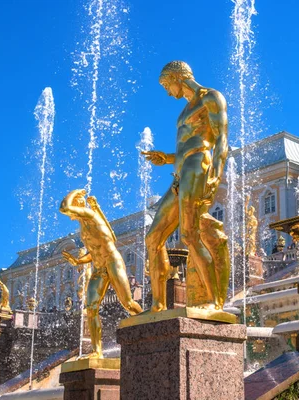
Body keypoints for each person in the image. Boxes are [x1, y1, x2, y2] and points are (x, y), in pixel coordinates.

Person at [142, 61, 229, 312]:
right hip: (179, 173)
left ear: (178, 77)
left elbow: (221, 139)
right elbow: (185, 145)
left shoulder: (211, 97)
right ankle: (158, 304)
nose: (168, 92)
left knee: (190, 234)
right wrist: (167, 158)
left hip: (198, 165)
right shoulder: (184, 112)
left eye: (168, 86)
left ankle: (213, 302)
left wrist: (216, 175)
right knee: (153, 237)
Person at [60, 189, 142, 359]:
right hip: (98, 268)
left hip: (112, 262)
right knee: (91, 308)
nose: (69, 217)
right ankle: (97, 351)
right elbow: (93, 250)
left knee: (127, 302)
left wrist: (75, 193)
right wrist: (78, 261)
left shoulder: (90, 214)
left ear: (79, 204)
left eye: (74, 209)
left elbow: (64, 207)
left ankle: (146, 325)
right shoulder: (83, 226)